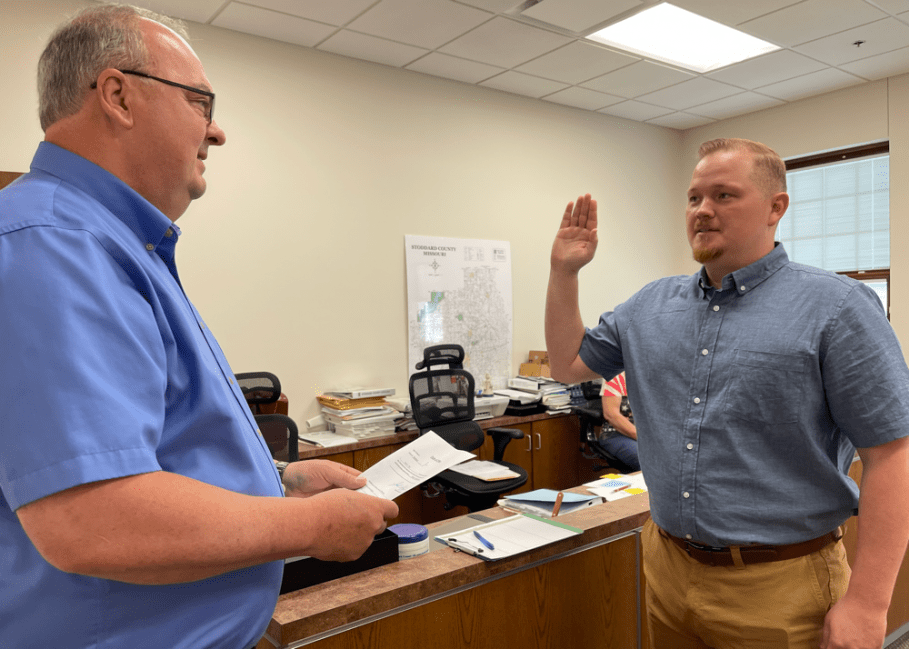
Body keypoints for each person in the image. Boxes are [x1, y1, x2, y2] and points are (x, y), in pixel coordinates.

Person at [0, 5, 398, 648]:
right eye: (199, 102)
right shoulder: (53, 243)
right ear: (118, 96)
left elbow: (153, 451)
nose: (216, 132)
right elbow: (93, 519)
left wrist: (279, 484)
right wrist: (310, 528)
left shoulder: (113, 245)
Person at [545, 138, 909, 649]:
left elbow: (891, 455)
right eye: (694, 197)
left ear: (776, 208)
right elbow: (566, 365)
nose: (702, 210)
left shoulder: (837, 307)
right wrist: (564, 272)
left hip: (780, 584)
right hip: (668, 568)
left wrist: (869, 603)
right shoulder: (649, 306)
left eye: (724, 195)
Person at [598, 372, 640, 472]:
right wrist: (646, 439)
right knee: (650, 458)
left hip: (649, 435)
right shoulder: (615, 376)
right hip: (616, 434)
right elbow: (611, 415)